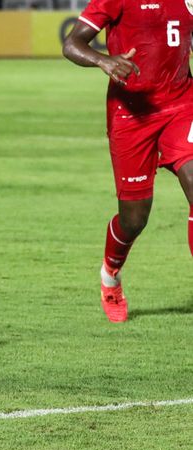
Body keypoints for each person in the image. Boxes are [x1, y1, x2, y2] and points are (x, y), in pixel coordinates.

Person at [63, 2, 193, 323]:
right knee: (134, 219)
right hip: (131, 114)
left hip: (182, 104)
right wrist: (102, 60)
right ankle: (111, 274)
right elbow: (72, 43)